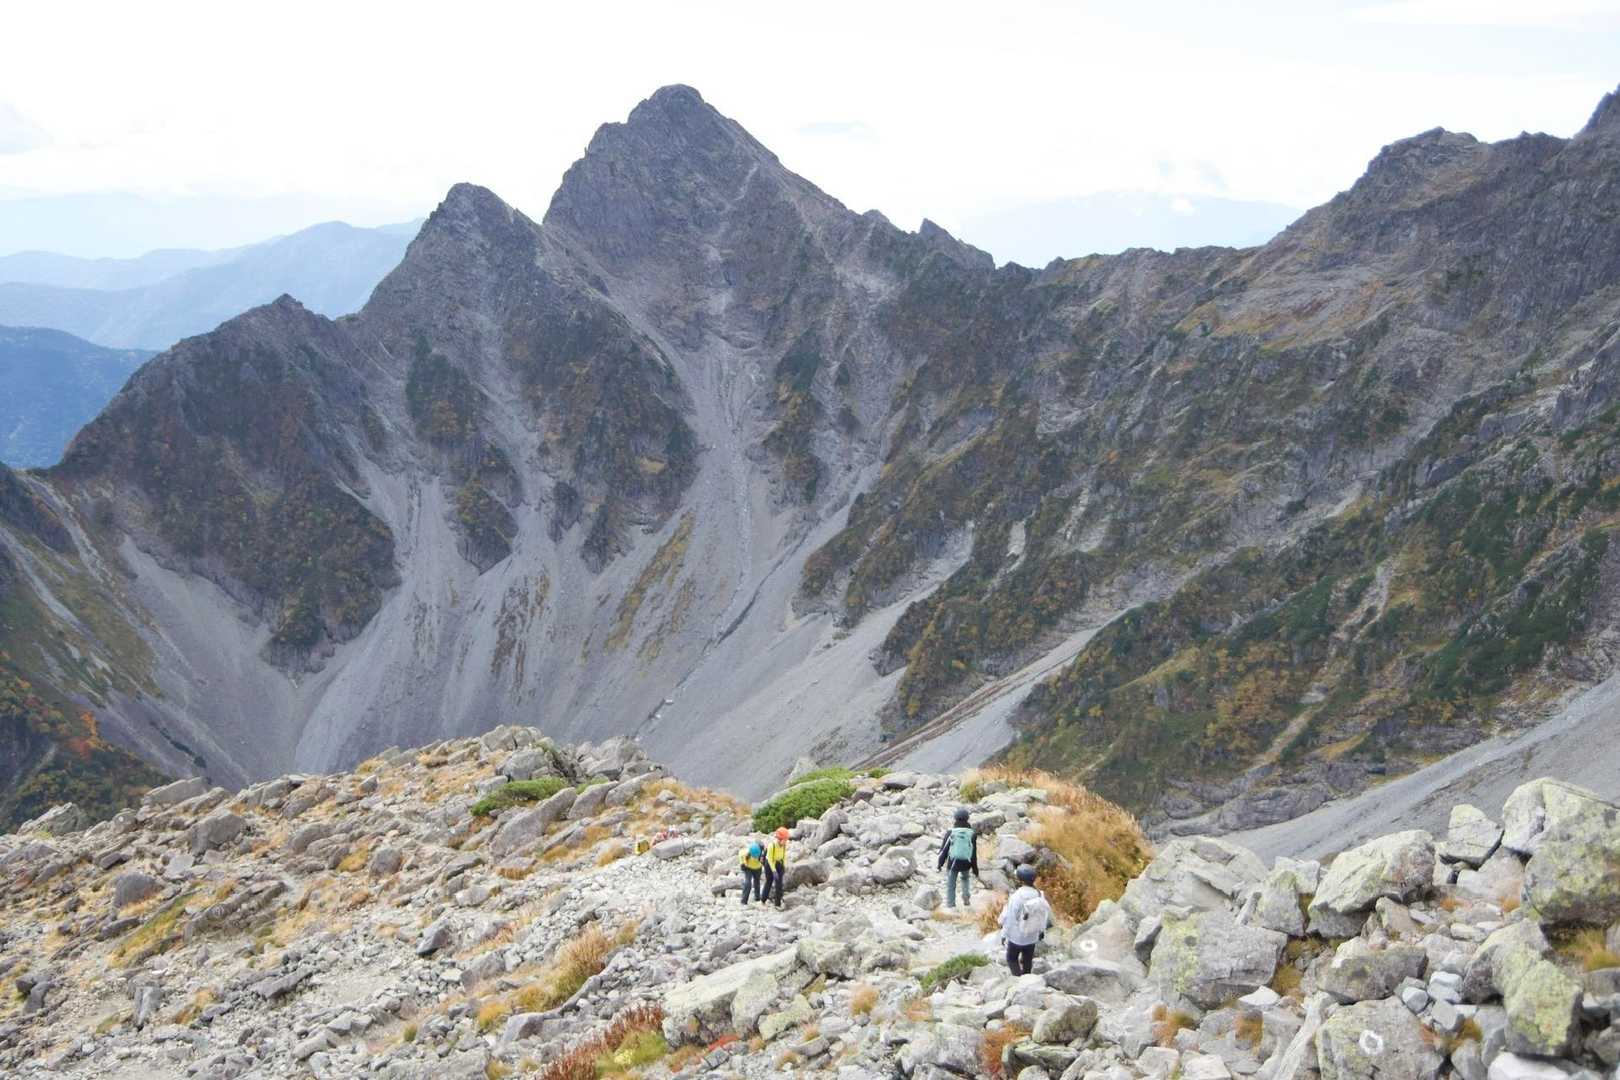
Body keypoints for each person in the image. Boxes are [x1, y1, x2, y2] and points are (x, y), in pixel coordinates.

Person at [1000, 864, 1051, 976]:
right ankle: (1027, 978)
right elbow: (1044, 914)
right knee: (1027, 960)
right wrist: (1041, 931)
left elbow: (1010, 918)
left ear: (1021, 880)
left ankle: (1018, 980)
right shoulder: (1039, 894)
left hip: (1017, 937)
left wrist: (1004, 934)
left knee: (1011, 958)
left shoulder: (1016, 897)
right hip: (1032, 935)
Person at [936, 807, 980, 909]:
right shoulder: (972, 834)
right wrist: (975, 869)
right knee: (965, 879)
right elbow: (973, 853)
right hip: (966, 862)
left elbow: (944, 850)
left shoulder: (951, 832)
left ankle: (951, 905)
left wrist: (940, 864)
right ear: (967, 819)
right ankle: (966, 899)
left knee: (951, 884)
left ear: (955, 818)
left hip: (953, 863)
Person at [762, 826, 789, 908]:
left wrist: (783, 866)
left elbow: (783, 856)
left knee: (779, 884)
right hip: (769, 864)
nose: (786, 841)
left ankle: (777, 904)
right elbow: (770, 859)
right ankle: (763, 900)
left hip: (779, 863)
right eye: (785, 839)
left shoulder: (784, 845)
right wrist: (774, 871)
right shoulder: (772, 846)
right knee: (769, 882)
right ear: (780, 839)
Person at [739, 836, 765, 905]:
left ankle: (757, 898)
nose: (755, 857)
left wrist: (763, 862)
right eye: (754, 856)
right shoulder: (745, 853)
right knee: (748, 883)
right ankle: (744, 901)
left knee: (757, 882)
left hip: (758, 868)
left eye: (757, 856)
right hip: (748, 868)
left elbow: (765, 860)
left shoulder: (762, 852)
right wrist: (743, 864)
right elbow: (741, 858)